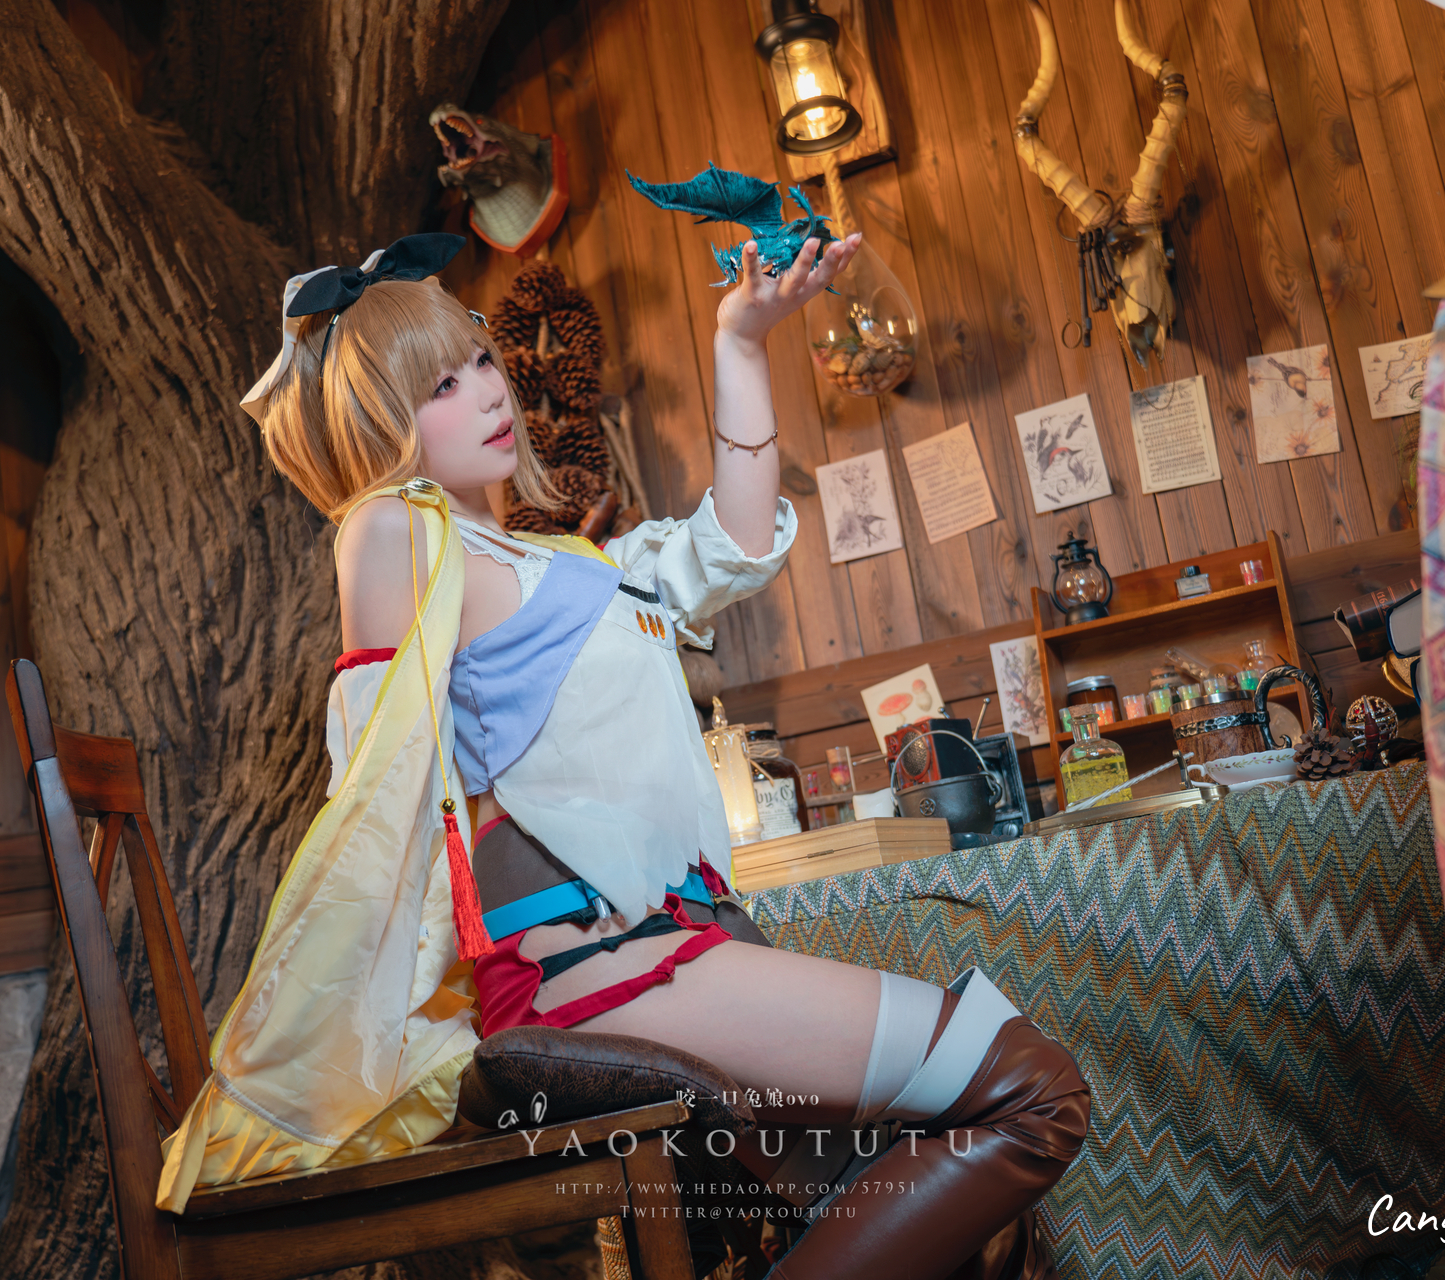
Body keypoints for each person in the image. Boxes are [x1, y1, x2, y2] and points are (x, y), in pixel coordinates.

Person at [159, 229, 1090, 1280]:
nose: (487, 391)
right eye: (439, 386)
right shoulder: (395, 530)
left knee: (951, 1181)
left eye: (479, 359)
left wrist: (740, 343)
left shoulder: (567, 563)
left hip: (678, 940)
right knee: (1034, 1091)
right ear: (384, 427)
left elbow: (731, 544)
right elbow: (385, 780)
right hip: (592, 962)